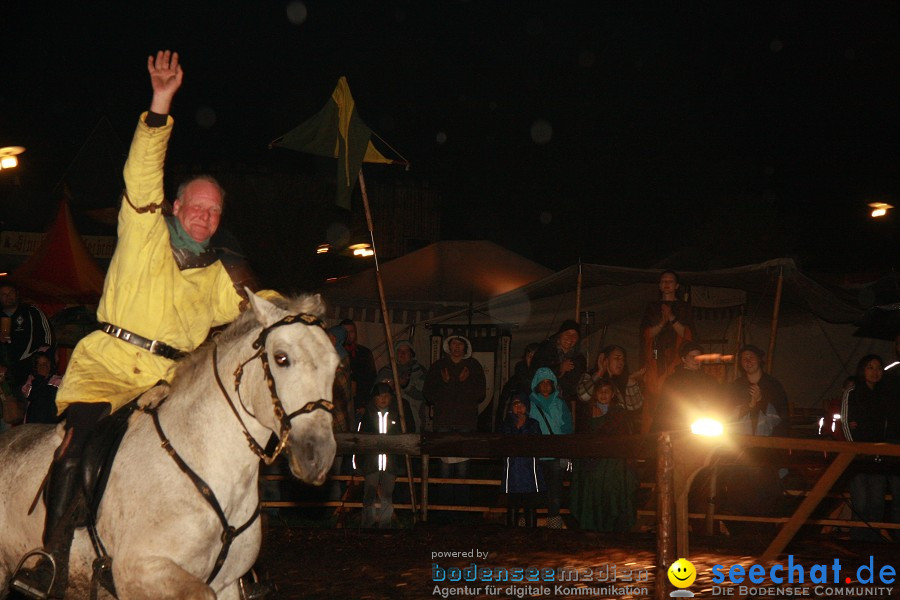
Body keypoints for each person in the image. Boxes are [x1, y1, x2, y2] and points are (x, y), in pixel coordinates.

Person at [11, 51, 247, 600]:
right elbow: (142, 171)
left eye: (214, 213)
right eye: (197, 207)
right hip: (110, 369)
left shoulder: (215, 275)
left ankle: (232, 559)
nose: (205, 218)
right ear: (175, 204)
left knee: (220, 445)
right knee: (79, 443)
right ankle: (49, 557)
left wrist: (293, 315)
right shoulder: (144, 229)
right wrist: (161, 103)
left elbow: (251, 306)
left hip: (171, 381)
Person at [423, 334, 486, 507]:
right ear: (448, 346)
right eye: (454, 343)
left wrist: (463, 383)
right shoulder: (439, 366)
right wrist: (446, 383)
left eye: (460, 344)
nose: (457, 347)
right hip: (443, 423)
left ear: (465, 347)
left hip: (466, 424)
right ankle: (444, 510)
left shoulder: (473, 366)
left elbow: (480, 394)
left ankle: (462, 509)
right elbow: (428, 394)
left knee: (463, 469)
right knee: (445, 469)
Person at [569, 379, 636, 532]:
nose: (603, 394)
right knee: (592, 494)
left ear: (612, 394)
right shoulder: (587, 412)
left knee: (612, 496)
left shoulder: (619, 413)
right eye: (600, 391)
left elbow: (622, 438)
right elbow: (584, 439)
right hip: (592, 465)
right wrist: (595, 421)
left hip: (614, 467)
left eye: (607, 391)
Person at [841, 354, 892, 541]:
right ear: (863, 369)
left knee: (877, 503)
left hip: (879, 456)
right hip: (858, 457)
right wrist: (853, 449)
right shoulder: (852, 392)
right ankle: (858, 540)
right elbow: (845, 422)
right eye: (870, 367)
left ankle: (874, 542)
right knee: (860, 502)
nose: (875, 372)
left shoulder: (883, 395)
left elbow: (886, 424)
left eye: (878, 368)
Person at [639, 270, 695, 431]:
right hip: (655, 362)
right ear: (659, 285)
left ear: (677, 286)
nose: (667, 284)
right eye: (663, 281)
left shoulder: (684, 307)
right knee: (653, 401)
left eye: (670, 281)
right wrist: (662, 322)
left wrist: (671, 318)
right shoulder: (652, 307)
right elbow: (646, 334)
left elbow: (688, 335)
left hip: (677, 361)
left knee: (674, 400)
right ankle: (650, 445)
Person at [357, 383, 414, 528]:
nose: (383, 399)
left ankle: (384, 524)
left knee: (387, 495)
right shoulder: (367, 416)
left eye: (386, 396)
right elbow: (360, 440)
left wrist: (400, 462)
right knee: (369, 494)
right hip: (372, 462)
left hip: (390, 462)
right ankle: (367, 524)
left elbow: (404, 437)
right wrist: (358, 462)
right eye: (379, 395)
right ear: (374, 398)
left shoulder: (398, 414)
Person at [529, 367, 574, 529]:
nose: (546, 386)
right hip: (536, 455)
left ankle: (554, 519)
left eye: (549, 382)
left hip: (555, 455)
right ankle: (533, 518)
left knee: (555, 490)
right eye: (543, 382)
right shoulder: (529, 403)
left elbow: (568, 428)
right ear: (536, 384)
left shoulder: (560, 404)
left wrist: (565, 450)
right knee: (534, 489)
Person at [652, 341, 722, 432]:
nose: (696, 360)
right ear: (683, 359)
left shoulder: (710, 380)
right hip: (679, 427)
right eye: (692, 357)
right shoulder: (673, 381)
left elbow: (718, 401)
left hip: (705, 426)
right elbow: (665, 406)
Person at [531, 320, 586, 429]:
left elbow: (574, 385)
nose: (570, 338)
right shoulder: (546, 350)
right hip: (541, 401)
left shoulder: (578, 359)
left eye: (574, 335)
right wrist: (559, 369)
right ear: (560, 335)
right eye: (567, 334)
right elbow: (536, 372)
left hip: (564, 404)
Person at [0, 282, 53, 395]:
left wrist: (44, 362)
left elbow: (47, 337)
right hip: (4, 372)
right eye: (4, 294)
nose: (8, 296)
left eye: (11, 293)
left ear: (17, 294)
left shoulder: (31, 311)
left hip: (28, 369)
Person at [500, 397, 544, 527]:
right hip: (513, 470)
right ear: (510, 408)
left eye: (522, 405)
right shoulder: (505, 424)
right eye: (515, 404)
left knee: (530, 505)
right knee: (512, 504)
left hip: (530, 470)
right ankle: (512, 533)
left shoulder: (533, 423)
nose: (519, 408)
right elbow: (506, 442)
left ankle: (531, 534)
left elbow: (536, 442)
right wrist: (518, 427)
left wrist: (524, 426)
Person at [582, 344, 645, 432]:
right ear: (605, 359)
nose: (621, 362)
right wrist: (600, 373)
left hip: (617, 437)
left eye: (623, 359)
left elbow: (635, 407)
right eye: (617, 358)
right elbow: (583, 395)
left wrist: (630, 380)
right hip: (593, 436)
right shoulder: (590, 376)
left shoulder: (621, 381)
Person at [729, 344, 788, 436]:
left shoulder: (772, 385)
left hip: (768, 440)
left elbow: (781, 414)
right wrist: (749, 406)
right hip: (741, 439)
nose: (748, 361)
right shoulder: (737, 386)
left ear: (759, 359)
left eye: (751, 357)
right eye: (744, 359)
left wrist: (761, 400)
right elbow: (729, 413)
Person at [375, 340, 427, 432]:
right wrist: (389, 388)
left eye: (406, 351)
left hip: (415, 418)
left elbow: (425, 394)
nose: (402, 354)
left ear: (411, 354)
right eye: (399, 351)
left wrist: (406, 385)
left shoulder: (420, 372)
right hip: (391, 419)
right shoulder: (386, 371)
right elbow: (376, 393)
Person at [340, 319, 377, 415]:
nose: (348, 335)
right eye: (345, 332)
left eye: (351, 332)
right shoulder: (333, 354)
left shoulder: (364, 353)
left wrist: (364, 404)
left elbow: (371, 380)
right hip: (339, 404)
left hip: (358, 406)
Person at [498, 342, 540, 424]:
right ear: (525, 358)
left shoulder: (547, 381)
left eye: (536, 358)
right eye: (529, 357)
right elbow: (504, 407)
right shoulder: (514, 381)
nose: (532, 360)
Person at [22, 351, 62, 425]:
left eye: (46, 363)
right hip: (33, 422)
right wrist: (40, 379)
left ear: (50, 364)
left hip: (50, 423)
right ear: (36, 367)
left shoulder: (59, 381)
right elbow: (28, 395)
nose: (44, 366)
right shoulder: (31, 380)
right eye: (40, 364)